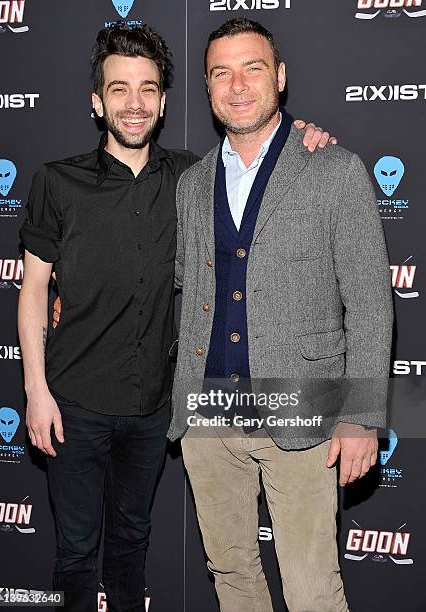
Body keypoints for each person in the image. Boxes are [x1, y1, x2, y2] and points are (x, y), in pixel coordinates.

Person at [18, 22, 333, 612]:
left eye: (147, 88)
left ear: (163, 101)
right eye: (119, 89)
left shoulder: (195, 180)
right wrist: (35, 391)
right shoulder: (56, 182)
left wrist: (306, 136)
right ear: (97, 101)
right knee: (76, 550)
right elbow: (33, 289)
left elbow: (261, 154)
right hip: (72, 404)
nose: (133, 103)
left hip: (154, 409)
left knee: (133, 544)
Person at [168, 18, 393, 612]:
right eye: (222, 72)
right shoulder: (191, 186)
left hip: (302, 412)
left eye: (253, 68)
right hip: (209, 416)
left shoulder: (334, 170)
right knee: (233, 577)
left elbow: (371, 299)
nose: (237, 85)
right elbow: (185, 289)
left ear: (281, 77)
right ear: (208, 87)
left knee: (313, 589)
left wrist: (361, 416)